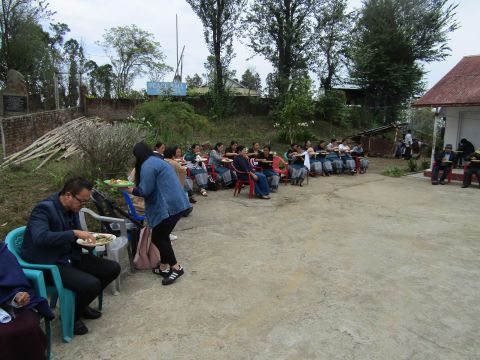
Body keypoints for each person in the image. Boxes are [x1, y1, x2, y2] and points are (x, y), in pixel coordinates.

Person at [21, 177, 121, 335]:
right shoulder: (44, 209)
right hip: (48, 263)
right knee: (91, 284)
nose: (83, 206)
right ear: (68, 195)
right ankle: (70, 317)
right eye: (82, 202)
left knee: (112, 268)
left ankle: (80, 306)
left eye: (85, 203)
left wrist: (89, 241)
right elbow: (40, 237)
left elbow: (77, 237)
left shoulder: (72, 208)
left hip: (67, 256)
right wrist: (73, 233)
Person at [126, 142, 191, 285]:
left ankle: (176, 268)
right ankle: (163, 267)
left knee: (158, 237)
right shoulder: (156, 161)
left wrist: (128, 189)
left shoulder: (148, 165)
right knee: (161, 236)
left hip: (169, 206)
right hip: (177, 203)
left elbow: (145, 190)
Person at [0, 243, 55, 360]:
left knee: (27, 327)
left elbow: (14, 282)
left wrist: (17, 297)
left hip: (8, 307)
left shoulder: (1, 252)